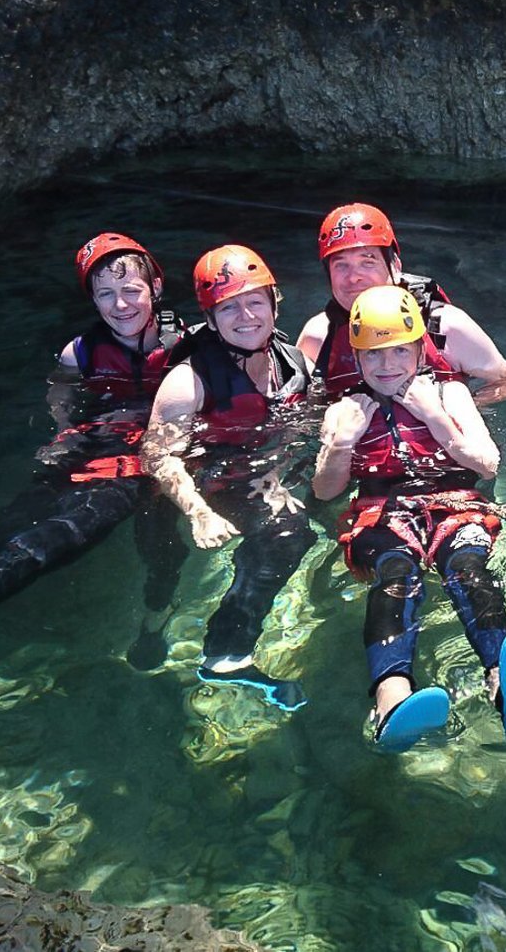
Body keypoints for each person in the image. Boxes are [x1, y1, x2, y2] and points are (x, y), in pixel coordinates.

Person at [0, 233, 189, 675]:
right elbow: (62, 400)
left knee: (153, 551)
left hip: (149, 461)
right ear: (92, 298)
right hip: (94, 447)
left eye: (132, 291)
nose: (120, 305)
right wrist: (64, 436)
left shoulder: (188, 343)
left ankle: (153, 624)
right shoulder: (79, 352)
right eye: (105, 293)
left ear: (156, 289)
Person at [312, 284, 506, 751]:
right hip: (380, 511)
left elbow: (488, 463)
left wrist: (435, 416)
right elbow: (325, 492)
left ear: (420, 350)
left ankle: (504, 680)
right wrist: (340, 445)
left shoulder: (450, 393)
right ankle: (392, 701)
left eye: (399, 352)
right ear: (357, 359)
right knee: (396, 573)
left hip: (455, 501)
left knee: (467, 569)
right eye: (374, 356)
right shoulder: (346, 408)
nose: (387, 367)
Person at [141, 244, 316, 711]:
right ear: (212, 318)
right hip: (192, 484)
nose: (246, 316)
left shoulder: (292, 361)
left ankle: (224, 654)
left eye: (255, 301)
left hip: (249, 474)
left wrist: (275, 474)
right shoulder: (188, 381)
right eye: (228, 306)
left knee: (290, 531)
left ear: (275, 304)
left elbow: (293, 425)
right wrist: (197, 512)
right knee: (163, 574)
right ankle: (153, 627)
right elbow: (157, 454)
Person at [297, 202, 506, 404]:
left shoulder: (445, 327)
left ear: (395, 267)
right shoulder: (319, 335)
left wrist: (453, 414)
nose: (353, 277)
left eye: (367, 262)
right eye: (341, 265)